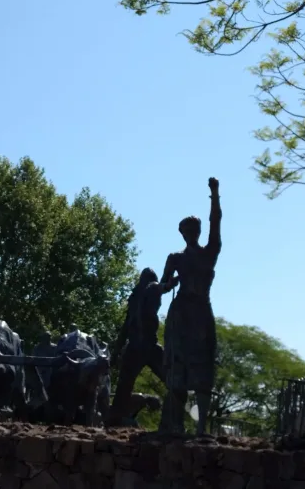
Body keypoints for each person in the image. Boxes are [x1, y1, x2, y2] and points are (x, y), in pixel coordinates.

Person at [158, 177, 222, 436]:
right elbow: (163, 286)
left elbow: (216, 221)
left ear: (198, 231)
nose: (190, 233)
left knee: (203, 369)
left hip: (201, 314)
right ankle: (176, 425)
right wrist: (169, 283)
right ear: (182, 233)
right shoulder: (175, 258)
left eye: (193, 229)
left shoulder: (210, 253)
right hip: (181, 315)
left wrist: (214, 194)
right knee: (178, 369)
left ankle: (201, 427)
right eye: (186, 230)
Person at [105, 267, 177, 426]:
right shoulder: (144, 292)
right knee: (171, 378)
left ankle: (173, 416)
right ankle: (116, 416)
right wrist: (116, 351)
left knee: (169, 377)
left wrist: (116, 351)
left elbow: (125, 329)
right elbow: (125, 327)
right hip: (143, 346)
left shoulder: (142, 294)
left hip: (140, 346)